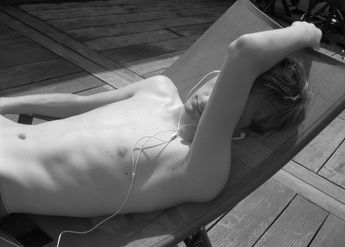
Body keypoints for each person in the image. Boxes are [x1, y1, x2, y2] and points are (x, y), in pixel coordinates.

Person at [0, 21, 321, 218]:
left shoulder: (198, 170)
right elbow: (78, 103)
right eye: (220, 82)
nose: (209, 98)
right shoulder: (157, 89)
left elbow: (246, 51)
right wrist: (7, 103)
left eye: (230, 100)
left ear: (239, 131)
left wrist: (304, 30)